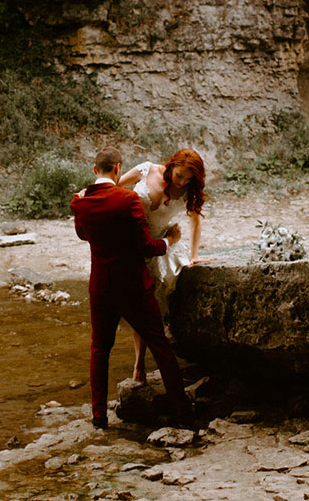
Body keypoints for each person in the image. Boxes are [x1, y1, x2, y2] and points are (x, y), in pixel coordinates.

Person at [70, 147, 194, 429]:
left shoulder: (80, 202)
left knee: (100, 348)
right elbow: (147, 248)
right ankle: (183, 411)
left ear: (95, 170)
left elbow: (82, 234)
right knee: (160, 344)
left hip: (100, 286)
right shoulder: (128, 200)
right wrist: (170, 242)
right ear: (117, 168)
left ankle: (99, 416)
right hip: (134, 286)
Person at [117, 148, 211, 384]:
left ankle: (139, 365)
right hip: (129, 243)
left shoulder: (188, 190)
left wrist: (194, 254)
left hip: (159, 247)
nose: (181, 182)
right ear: (172, 165)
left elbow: (196, 221)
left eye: (188, 179)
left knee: (150, 308)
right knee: (130, 304)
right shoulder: (147, 169)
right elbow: (114, 187)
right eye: (180, 175)